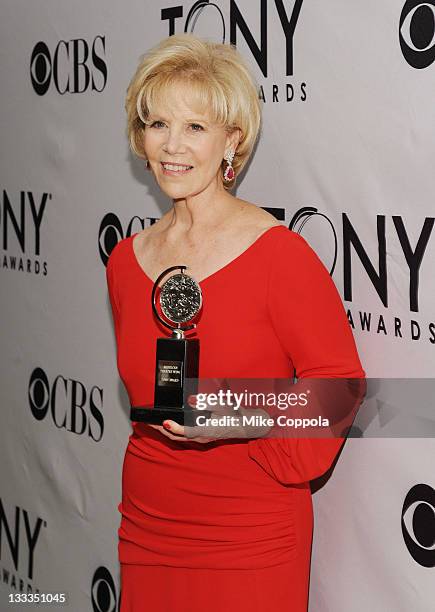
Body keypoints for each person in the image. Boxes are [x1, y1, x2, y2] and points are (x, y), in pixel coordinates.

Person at [106, 33, 365, 612]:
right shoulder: (125, 260)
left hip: (248, 535)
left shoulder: (279, 255)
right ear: (139, 137)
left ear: (233, 140)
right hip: (147, 522)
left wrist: (233, 416)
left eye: (196, 127)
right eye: (157, 124)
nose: (172, 145)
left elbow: (339, 388)